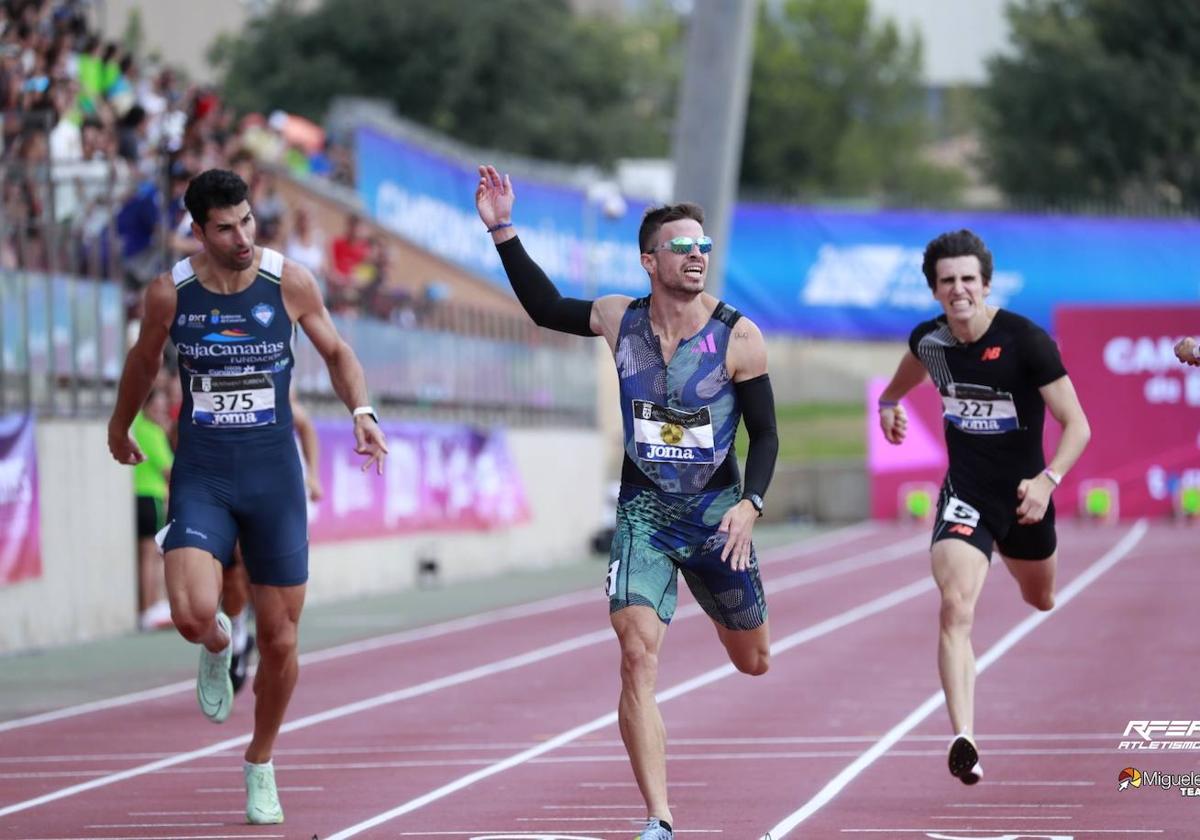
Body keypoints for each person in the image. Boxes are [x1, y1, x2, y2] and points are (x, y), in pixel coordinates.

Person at [475, 165, 778, 840]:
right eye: (681, 246)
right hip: (643, 514)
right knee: (636, 653)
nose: (697, 255)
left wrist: (751, 503)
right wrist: (502, 228)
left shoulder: (738, 338)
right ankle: (660, 818)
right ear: (650, 260)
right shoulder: (620, 319)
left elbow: (768, 434)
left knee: (754, 660)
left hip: (715, 519)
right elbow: (545, 307)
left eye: (703, 246)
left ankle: (731, 608)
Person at [107, 168, 387, 825]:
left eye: (247, 223)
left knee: (284, 642)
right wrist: (120, 424)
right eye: (225, 228)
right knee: (190, 612)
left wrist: (363, 411)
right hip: (203, 472)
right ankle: (215, 644)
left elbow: (338, 351)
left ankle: (259, 761)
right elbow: (143, 363)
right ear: (198, 232)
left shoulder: (287, 281)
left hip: (273, 478)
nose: (241, 238)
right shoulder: (168, 294)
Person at [877, 229, 1091, 785]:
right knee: (955, 607)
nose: (959, 290)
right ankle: (964, 738)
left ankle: (1023, 564)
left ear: (986, 284)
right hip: (965, 495)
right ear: (935, 291)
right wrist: (889, 404)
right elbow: (902, 380)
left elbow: (1078, 425)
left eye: (968, 279)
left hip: (1024, 499)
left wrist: (1047, 481)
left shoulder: (1026, 341)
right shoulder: (930, 341)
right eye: (947, 281)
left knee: (1039, 598)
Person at [224, 391, 325, 694]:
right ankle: (238, 634)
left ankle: (258, 631)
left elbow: (306, 427)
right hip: (234, 482)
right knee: (233, 567)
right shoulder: (220, 384)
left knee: (258, 572)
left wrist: (314, 476)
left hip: (278, 490)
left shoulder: (275, 390)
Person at [131, 384, 173, 630]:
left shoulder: (138, 427)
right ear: (146, 407)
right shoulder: (153, 433)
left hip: (139, 496)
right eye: (156, 408)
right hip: (152, 497)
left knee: (147, 554)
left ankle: (149, 607)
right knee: (151, 555)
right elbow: (169, 470)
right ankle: (149, 608)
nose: (160, 412)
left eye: (163, 409)